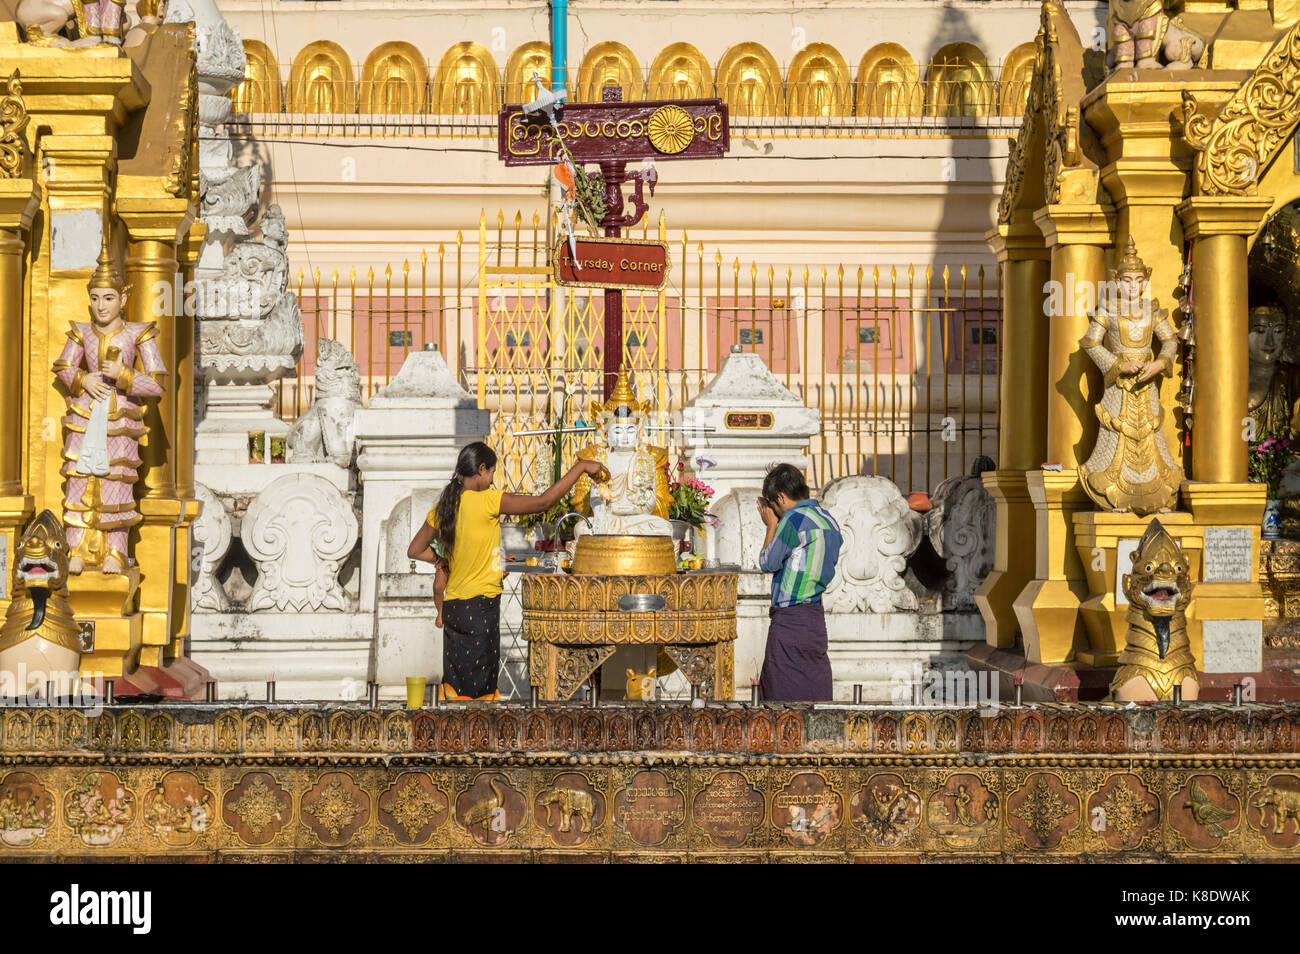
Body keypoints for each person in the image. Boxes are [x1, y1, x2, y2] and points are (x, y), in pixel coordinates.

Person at [407, 441, 608, 701]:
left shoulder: (443, 507)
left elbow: (415, 550)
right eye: (491, 473)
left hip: (454, 609)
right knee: (480, 696)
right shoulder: (488, 500)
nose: (492, 480)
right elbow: (543, 502)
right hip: (479, 609)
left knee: (457, 692)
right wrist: (580, 467)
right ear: (481, 470)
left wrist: (445, 561)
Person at [756, 463, 842, 702]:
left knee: (780, 696)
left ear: (781, 497)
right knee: (813, 690)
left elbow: (768, 562)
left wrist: (771, 525)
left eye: (773, 505)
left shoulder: (793, 519)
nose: (774, 510)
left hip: (789, 620)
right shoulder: (830, 521)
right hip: (814, 618)